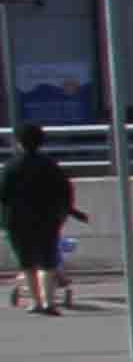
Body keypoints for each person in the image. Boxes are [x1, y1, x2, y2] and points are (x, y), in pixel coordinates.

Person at [3, 123, 73, 317]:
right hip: (47, 219)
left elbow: (3, 194)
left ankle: (35, 302)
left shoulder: (11, 166)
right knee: (47, 261)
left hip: (18, 221)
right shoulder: (50, 165)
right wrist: (63, 213)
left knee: (27, 262)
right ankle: (48, 302)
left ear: (19, 142)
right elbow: (65, 191)